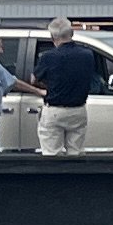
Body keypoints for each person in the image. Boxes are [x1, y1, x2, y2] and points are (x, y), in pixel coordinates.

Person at [28, 18, 106, 157]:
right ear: (72, 33)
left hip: (55, 109)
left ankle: (55, 178)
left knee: (52, 154)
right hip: (78, 110)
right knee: (76, 153)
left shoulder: (48, 57)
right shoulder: (87, 55)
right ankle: (74, 177)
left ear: (53, 37)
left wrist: (47, 85)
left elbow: (33, 79)